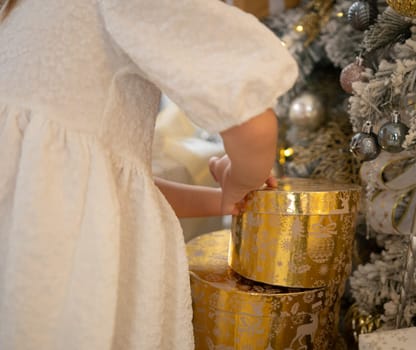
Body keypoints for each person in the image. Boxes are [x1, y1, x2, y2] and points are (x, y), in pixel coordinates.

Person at [0, 0, 298, 349]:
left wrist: (228, 195)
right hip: (63, 275)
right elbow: (253, 122)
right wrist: (242, 180)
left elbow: (103, 186)